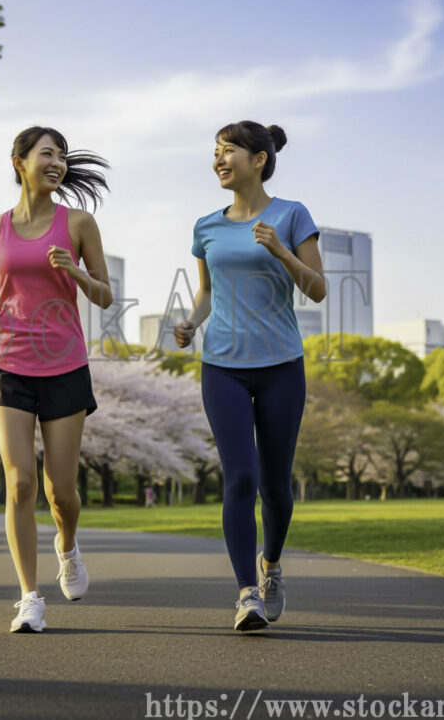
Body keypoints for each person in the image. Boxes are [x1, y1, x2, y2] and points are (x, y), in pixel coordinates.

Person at [173, 120, 326, 633]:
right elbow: (208, 292)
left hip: (281, 364)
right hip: (222, 367)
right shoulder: (206, 226)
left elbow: (318, 289)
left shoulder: (292, 214)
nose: (219, 159)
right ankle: (246, 594)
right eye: (215, 151)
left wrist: (280, 250)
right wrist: (191, 324)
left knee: (276, 486)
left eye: (229, 150)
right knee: (240, 477)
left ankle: (272, 564)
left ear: (258, 159)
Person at [0, 126, 113, 633]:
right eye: (47, 153)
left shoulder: (79, 223)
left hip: (65, 365)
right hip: (8, 365)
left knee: (60, 492)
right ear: (19, 162)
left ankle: (67, 546)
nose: (57, 162)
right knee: (20, 482)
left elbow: (105, 297)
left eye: (62, 156)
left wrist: (75, 273)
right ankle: (30, 596)